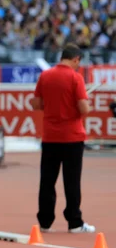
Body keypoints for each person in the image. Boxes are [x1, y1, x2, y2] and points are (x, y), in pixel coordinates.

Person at [31, 43, 95, 234]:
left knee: (47, 181)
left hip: (50, 136)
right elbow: (84, 109)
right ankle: (75, 222)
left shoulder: (46, 75)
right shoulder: (75, 78)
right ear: (76, 59)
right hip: (72, 137)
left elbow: (36, 104)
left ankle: (45, 221)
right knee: (72, 181)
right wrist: (83, 105)